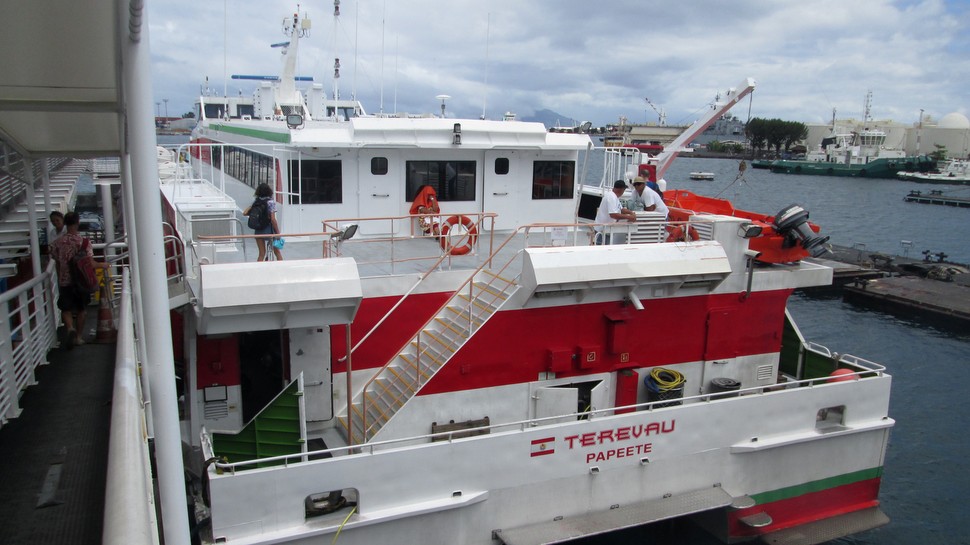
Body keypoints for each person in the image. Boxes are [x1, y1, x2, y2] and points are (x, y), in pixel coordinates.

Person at [50, 211, 108, 349]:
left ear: (65, 223)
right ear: (77, 223)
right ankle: (78, 337)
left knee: (66, 308)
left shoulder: (57, 243)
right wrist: (104, 265)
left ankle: (70, 328)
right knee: (82, 309)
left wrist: (60, 275)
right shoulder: (84, 242)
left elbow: (56, 260)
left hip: (65, 281)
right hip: (81, 281)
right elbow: (91, 263)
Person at [244, 183, 283, 262]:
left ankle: (258, 270)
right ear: (269, 191)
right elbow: (273, 219)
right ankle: (281, 268)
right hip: (269, 230)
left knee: (261, 253)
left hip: (258, 230)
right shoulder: (270, 202)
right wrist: (278, 232)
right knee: (277, 252)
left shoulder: (255, 202)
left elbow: (244, 213)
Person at [593, 180, 636, 244]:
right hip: (602, 230)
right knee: (602, 250)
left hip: (607, 230)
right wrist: (629, 217)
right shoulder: (611, 197)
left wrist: (631, 213)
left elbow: (621, 209)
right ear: (621, 189)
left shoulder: (614, 197)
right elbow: (613, 215)